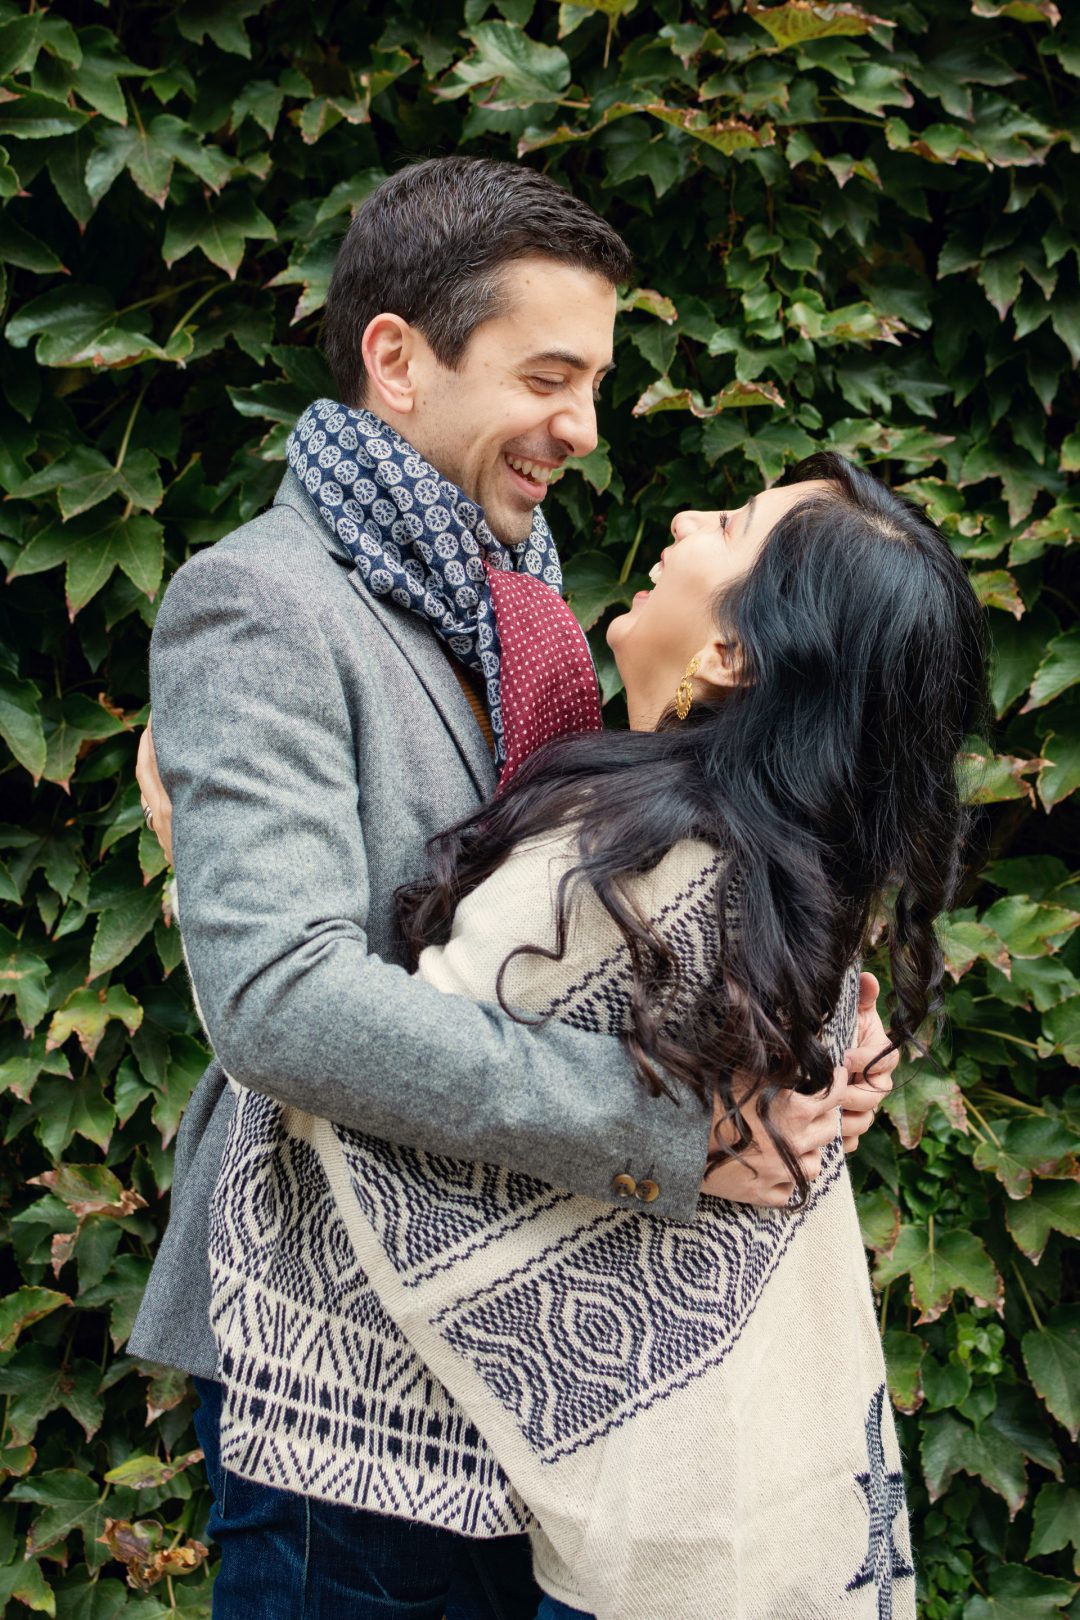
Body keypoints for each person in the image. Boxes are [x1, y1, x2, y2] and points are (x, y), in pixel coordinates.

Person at [131, 157, 898, 1618]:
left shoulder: (526, 603)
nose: (584, 428)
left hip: (532, 1365)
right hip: (348, 1381)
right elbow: (282, 1001)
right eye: (550, 375)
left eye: (596, 382)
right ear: (398, 361)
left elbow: (611, 902)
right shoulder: (263, 603)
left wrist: (825, 1031)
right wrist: (666, 1126)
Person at [209, 450, 986, 1619]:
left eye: (725, 518)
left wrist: (203, 887)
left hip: (388, 1448)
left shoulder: (631, 864)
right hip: (543, 1478)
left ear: (731, 653)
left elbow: (348, 1058)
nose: (677, 515)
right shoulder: (767, 863)